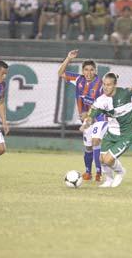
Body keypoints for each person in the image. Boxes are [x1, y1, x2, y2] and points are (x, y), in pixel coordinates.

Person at [80, 73, 132, 188]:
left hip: (127, 134)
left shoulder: (127, 93)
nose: (105, 87)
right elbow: (91, 115)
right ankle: (108, 179)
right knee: (101, 159)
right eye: (104, 84)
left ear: (115, 85)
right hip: (111, 132)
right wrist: (86, 123)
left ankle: (121, 172)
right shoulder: (101, 100)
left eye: (109, 85)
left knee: (108, 160)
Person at [57, 50, 107, 182]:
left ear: (95, 71)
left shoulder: (101, 84)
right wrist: (68, 58)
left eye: (91, 70)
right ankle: (88, 173)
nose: (89, 73)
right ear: (83, 71)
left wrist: (89, 114)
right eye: (86, 70)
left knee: (96, 140)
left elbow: (104, 103)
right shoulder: (78, 79)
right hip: (86, 119)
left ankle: (99, 173)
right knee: (88, 146)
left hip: (101, 118)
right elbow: (60, 73)